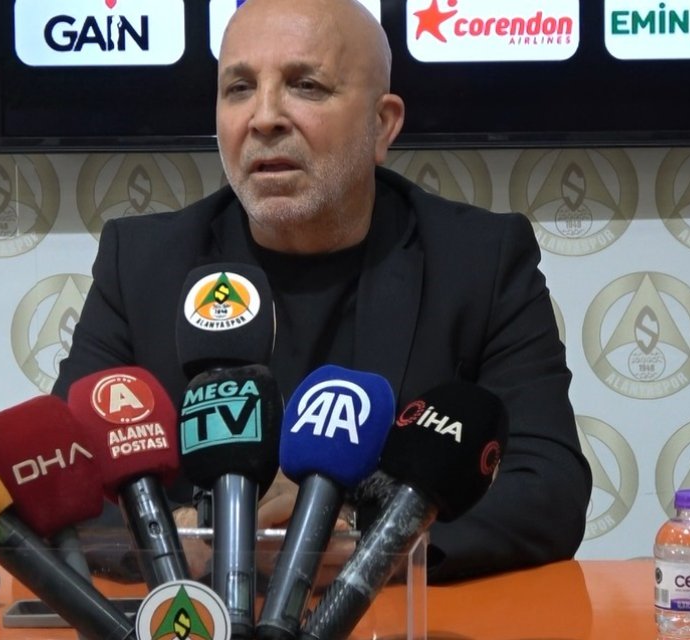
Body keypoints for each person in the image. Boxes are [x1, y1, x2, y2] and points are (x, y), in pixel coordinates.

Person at [53, 0, 591, 583]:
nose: (264, 118)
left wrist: (359, 536)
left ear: (381, 125)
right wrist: (194, 536)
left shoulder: (480, 261)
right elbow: (63, 482)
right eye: (239, 88)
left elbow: (548, 491)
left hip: (385, 612)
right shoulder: (142, 264)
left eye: (305, 85)